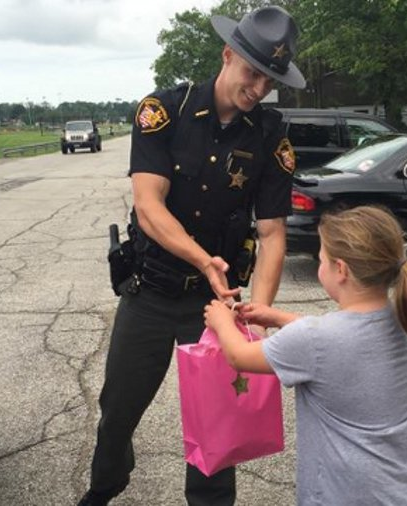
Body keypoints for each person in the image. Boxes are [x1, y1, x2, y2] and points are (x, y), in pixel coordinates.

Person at [78, 5, 306, 506]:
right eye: (253, 73)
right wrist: (203, 258)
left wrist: (258, 313)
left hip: (215, 309)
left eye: (270, 80)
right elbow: (148, 205)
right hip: (151, 294)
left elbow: (272, 236)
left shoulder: (271, 137)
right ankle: (104, 487)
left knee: (218, 423)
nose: (260, 88)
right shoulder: (166, 112)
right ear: (228, 55)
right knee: (117, 411)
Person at [204, 205, 407, 506]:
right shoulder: (405, 318)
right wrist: (278, 317)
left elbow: (239, 356)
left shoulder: (315, 339)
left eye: (321, 260)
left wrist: (221, 320)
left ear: (340, 270)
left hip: (344, 495)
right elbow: (336, 339)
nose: (320, 267)